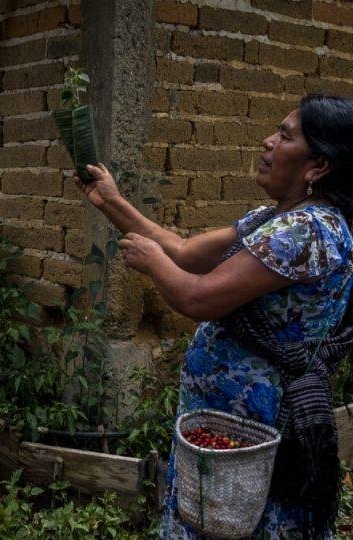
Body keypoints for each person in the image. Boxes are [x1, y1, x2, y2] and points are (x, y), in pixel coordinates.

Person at [75, 94, 353, 538]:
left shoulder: (307, 230)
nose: (267, 142)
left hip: (254, 423)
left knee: (241, 523)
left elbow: (199, 297)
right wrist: (110, 201)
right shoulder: (274, 218)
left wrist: (150, 261)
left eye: (284, 136)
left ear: (317, 166)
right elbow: (186, 252)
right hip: (225, 417)